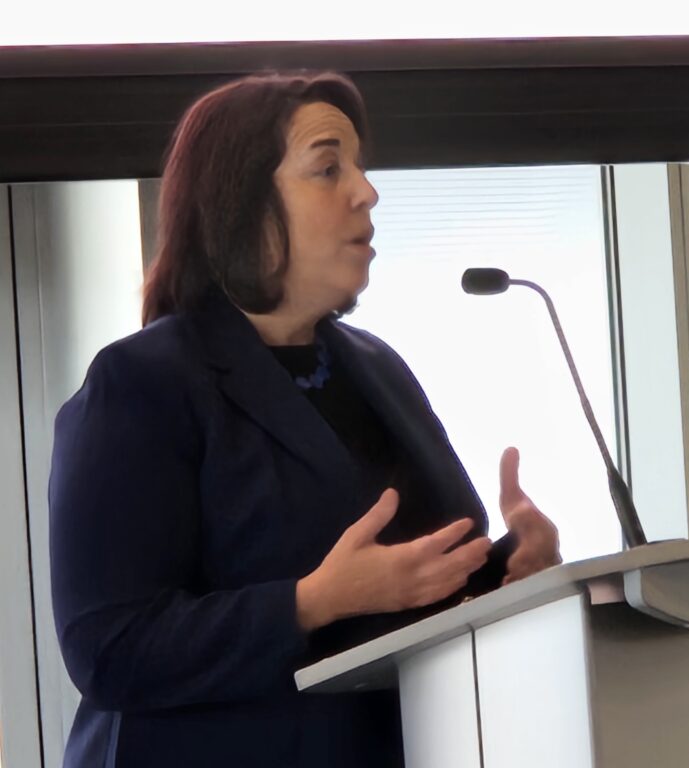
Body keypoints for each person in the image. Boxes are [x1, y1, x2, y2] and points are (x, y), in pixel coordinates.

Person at [48, 71, 561, 768]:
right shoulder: (141, 382)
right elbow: (107, 649)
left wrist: (508, 569)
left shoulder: (377, 368)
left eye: (360, 167)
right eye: (327, 168)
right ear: (242, 203)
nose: (366, 192)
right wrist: (310, 602)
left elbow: (416, 584)